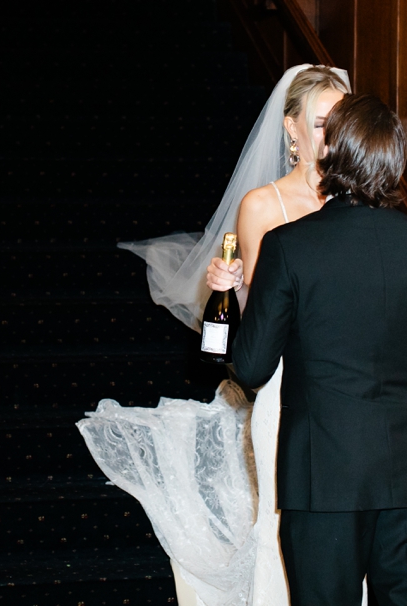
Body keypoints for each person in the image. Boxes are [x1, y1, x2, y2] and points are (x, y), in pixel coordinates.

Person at [77, 65, 354, 606]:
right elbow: (256, 316)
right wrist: (227, 290)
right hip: (287, 381)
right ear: (291, 129)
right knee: (288, 511)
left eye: (343, 122)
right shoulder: (263, 207)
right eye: (322, 123)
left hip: (350, 385)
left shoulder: (358, 200)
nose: (334, 136)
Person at [232, 94, 407, 606]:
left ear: (331, 153)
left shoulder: (289, 245)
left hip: (323, 477)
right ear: (395, 164)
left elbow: (253, 366)